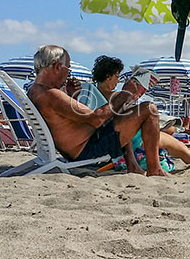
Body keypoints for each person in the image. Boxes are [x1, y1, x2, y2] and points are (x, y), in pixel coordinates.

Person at [28, 45, 168, 176]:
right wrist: (125, 93)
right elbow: (96, 119)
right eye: (68, 68)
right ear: (58, 67)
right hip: (89, 148)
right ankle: (154, 168)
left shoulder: (36, 91)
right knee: (149, 109)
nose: (68, 74)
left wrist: (72, 95)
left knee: (125, 111)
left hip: (81, 145)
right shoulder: (51, 94)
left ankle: (133, 166)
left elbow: (67, 118)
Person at [91, 55, 190, 168]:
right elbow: (121, 117)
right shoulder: (118, 97)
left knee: (171, 132)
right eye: (117, 76)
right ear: (108, 77)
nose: (118, 81)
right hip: (128, 138)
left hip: (117, 138)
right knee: (180, 147)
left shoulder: (91, 95)